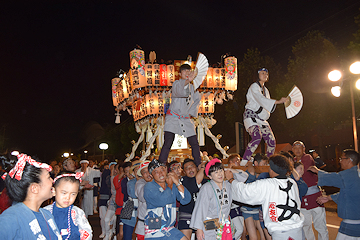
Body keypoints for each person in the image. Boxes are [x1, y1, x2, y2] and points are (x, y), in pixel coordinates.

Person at [227, 154, 305, 240]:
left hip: (282, 232)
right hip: (298, 229)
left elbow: (245, 191)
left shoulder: (268, 184)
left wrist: (231, 180)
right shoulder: (292, 182)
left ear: (272, 169)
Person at [0, 154, 62, 239]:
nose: (52, 181)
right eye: (48, 177)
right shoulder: (10, 218)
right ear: (34, 188)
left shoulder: (47, 214)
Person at [190, 158, 249, 240]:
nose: (219, 174)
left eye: (221, 171)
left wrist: (228, 169)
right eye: (216, 172)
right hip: (210, 223)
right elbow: (200, 209)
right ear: (210, 176)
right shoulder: (206, 188)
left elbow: (244, 176)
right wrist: (199, 229)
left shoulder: (228, 184)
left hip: (225, 223)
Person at [308, 149, 360, 239]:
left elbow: (334, 178)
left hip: (351, 223)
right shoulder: (356, 174)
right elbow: (348, 193)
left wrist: (317, 171)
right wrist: (329, 198)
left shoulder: (349, 175)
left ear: (349, 160)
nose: (340, 161)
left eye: (342, 158)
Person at [241, 68, 288, 166]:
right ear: (257, 75)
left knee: (271, 141)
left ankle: (268, 162)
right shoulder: (254, 86)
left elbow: (266, 104)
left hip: (261, 118)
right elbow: (260, 99)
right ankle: (244, 161)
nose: (265, 75)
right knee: (257, 137)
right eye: (262, 73)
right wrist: (278, 101)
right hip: (251, 115)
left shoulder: (265, 90)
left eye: (266, 73)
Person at [158, 63, 202, 166]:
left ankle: (198, 164)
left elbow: (196, 101)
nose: (187, 73)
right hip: (173, 117)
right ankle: (161, 164)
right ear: (180, 73)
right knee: (168, 141)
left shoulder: (193, 88)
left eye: (189, 71)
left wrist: (190, 113)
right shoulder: (176, 84)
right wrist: (188, 80)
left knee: (194, 143)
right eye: (185, 71)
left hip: (185, 118)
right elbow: (180, 92)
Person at [144, 159, 191, 239]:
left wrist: (177, 182)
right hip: (155, 231)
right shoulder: (149, 186)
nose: (161, 173)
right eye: (156, 172)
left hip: (170, 228)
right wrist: (170, 185)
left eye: (162, 170)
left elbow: (186, 199)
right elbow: (163, 201)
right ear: (151, 175)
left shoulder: (172, 185)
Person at [292, 141, 329, 240]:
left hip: (315, 196)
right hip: (302, 198)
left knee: (320, 226)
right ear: (292, 150)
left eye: (300, 148)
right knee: (306, 226)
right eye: (295, 148)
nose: (297, 150)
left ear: (304, 149)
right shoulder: (293, 161)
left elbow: (298, 171)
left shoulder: (307, 158)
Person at [44, 171, 93, 240]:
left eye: (73, 194)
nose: (68, 197)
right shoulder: (45, 212)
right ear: (54, 191)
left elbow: (87, 232)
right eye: (64, 193)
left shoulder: (77, 212)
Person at [178, 158, 206, 240]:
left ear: (196, 168)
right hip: (187, 214)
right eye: (186, 168)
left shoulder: (206, 181)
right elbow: (196, 182)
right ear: (184, 172)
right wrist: (202, 167)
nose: (190, 169)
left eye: (192, 166)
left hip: (202, 216)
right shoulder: (183, 181)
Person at [135, 160, 152, 240]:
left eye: (149, 170)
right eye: (144, 172)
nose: (148, 173)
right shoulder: (140, 183)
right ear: (141, 175)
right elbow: (143, 197)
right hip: (143, 226)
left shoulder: (162, 182)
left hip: (160, 225)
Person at [98, 162, 111, 238]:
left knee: (109, 218)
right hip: (103, 196)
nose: (108, 169)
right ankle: (104, 232)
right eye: (106, 168)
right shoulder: (102, 174)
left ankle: (109, 232)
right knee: (102, 216)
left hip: (111, 197)